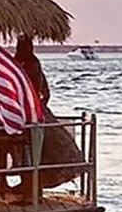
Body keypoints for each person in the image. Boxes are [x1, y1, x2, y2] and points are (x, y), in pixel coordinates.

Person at [13, 35, 83, 192]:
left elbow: (44, 90)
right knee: (31, 151)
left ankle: (32, 184)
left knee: (36, 150)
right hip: (30, 111)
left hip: (31, 112)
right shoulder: (24, 63)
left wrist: (36, 107)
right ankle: (29, 183)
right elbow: (46, 91)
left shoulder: (29, 64)